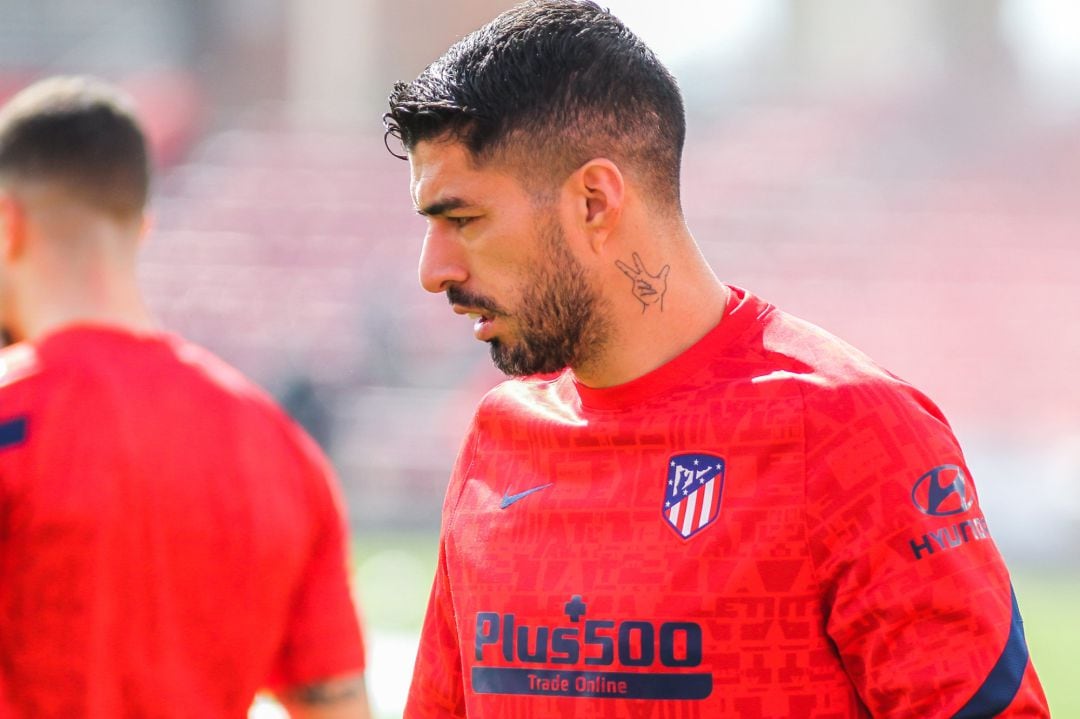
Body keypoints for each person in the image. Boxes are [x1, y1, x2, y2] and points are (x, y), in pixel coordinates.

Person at [383, 1, 1051, 717]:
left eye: (463, 219)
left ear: (594, 201)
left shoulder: (850, 433)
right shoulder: (498, 438)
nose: (433, 270)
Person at [0, 76, 371, 718]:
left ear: (9, 224)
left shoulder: (13, 409)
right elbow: (338, 708)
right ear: (142, 227)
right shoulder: (281, 447)